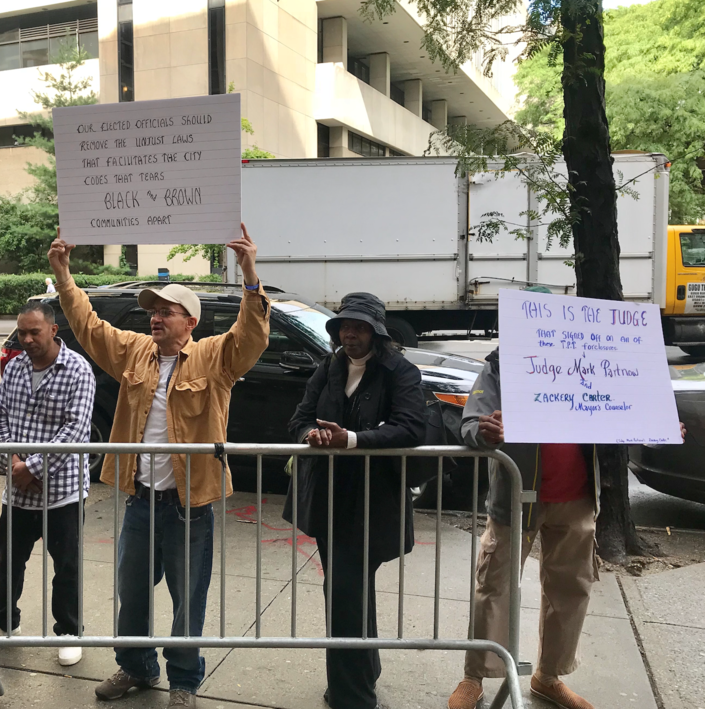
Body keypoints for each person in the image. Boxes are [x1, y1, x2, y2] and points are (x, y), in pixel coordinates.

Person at [47, 224, 269, 709]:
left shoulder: (215, 358)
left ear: (190, 321)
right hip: (140, 503)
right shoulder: (134, 351)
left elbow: (251, 334)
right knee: (132, 595)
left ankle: (184, 682)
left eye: (165, 312)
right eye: (152, 311)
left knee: (188, 602)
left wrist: (250, 273)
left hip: (190, 508)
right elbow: (88, 326)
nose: (155, 318)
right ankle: (136, 668)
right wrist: (63, 274)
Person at [445, 348, 612, 709]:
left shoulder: (592, 355)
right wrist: (484, 432)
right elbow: (472, 422)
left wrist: (656, 424)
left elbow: (621, 408)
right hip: (516, 497)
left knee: (570, 590)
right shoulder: (501, 365)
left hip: (577, 497)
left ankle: (547, 677)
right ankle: (474, 677)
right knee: (495, 586)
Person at [283, 292, 427, 709]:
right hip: (329, 500)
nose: (350, 333)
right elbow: (299, 418)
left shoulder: (399, 370)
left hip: (373, 503)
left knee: (346, 594)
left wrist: (353, 440)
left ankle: (353, 696)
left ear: (377, 332)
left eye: (359, 327)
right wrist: (310, 435)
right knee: (348, 592)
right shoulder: (329, 367)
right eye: (345, 326)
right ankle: (362, 674)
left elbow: (411, 427)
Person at [0, 300, 95, 667]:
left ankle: (69, 632)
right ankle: (3, 625)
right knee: (9, 563)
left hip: (63, 492)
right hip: (16, 490)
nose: (27, 339)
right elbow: (1, 417)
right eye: (22, 332)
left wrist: (34, 469)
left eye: (34, 332)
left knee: (67, 566)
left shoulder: (77, 370)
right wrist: (13, 464)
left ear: (53, 331)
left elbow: (75, 430)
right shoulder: (14, 368)